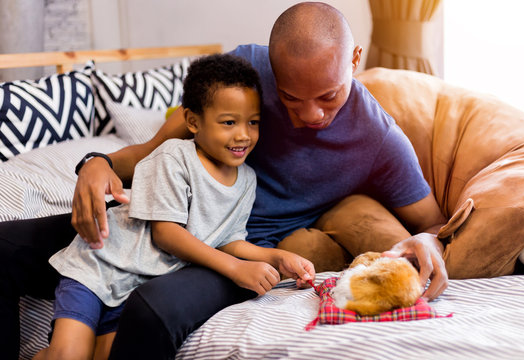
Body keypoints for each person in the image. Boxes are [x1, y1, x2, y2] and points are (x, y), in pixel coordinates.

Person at [0, 2, 449, 359]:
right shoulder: (246, 73)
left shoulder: (379, 139)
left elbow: (432, 222)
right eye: (292, 99)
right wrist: (96, 162)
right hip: (158, 218)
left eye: (329, 96)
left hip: (233, 249)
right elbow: (155, 148)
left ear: (355, 59)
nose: (311, 115)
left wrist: (430, 242)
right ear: (272, 70)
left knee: (151, 312)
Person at [33, 53, 315, 360]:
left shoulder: (246, 179)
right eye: (229, 122)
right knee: (69, 356)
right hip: (100, 265)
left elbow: (229, 241)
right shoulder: (173, 157)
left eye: (253, 122)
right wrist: (235, 269)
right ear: (193, 122)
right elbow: (166, 234)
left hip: (137, 285)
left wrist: (277, 257)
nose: (243, 134)